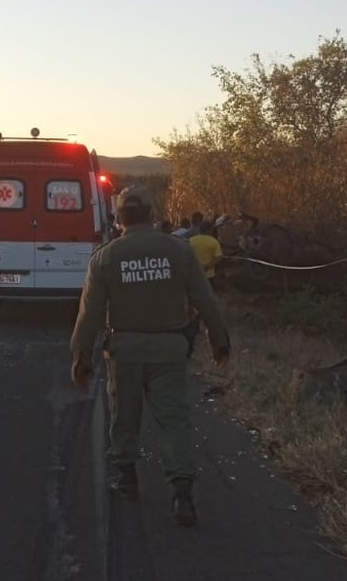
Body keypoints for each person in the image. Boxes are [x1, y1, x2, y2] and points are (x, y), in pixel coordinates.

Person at [69, 183, 231, 527]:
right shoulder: (179, 251)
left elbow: (90, 314)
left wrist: (80, 357)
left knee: (124, 416)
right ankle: (182, 492)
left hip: (124, 352)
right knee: (173, 419)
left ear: (119, 217)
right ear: (153, 214)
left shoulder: (106, 257)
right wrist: (220, 340)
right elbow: (205, 300)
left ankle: (127, 480)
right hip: (169, 350)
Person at [188, 218, 224, 291]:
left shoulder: (191, 240)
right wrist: (206, 266)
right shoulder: (214, 242)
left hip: (193, 274)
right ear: (210, 230)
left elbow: (186, 256)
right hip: (209, 276)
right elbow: (218, 258)